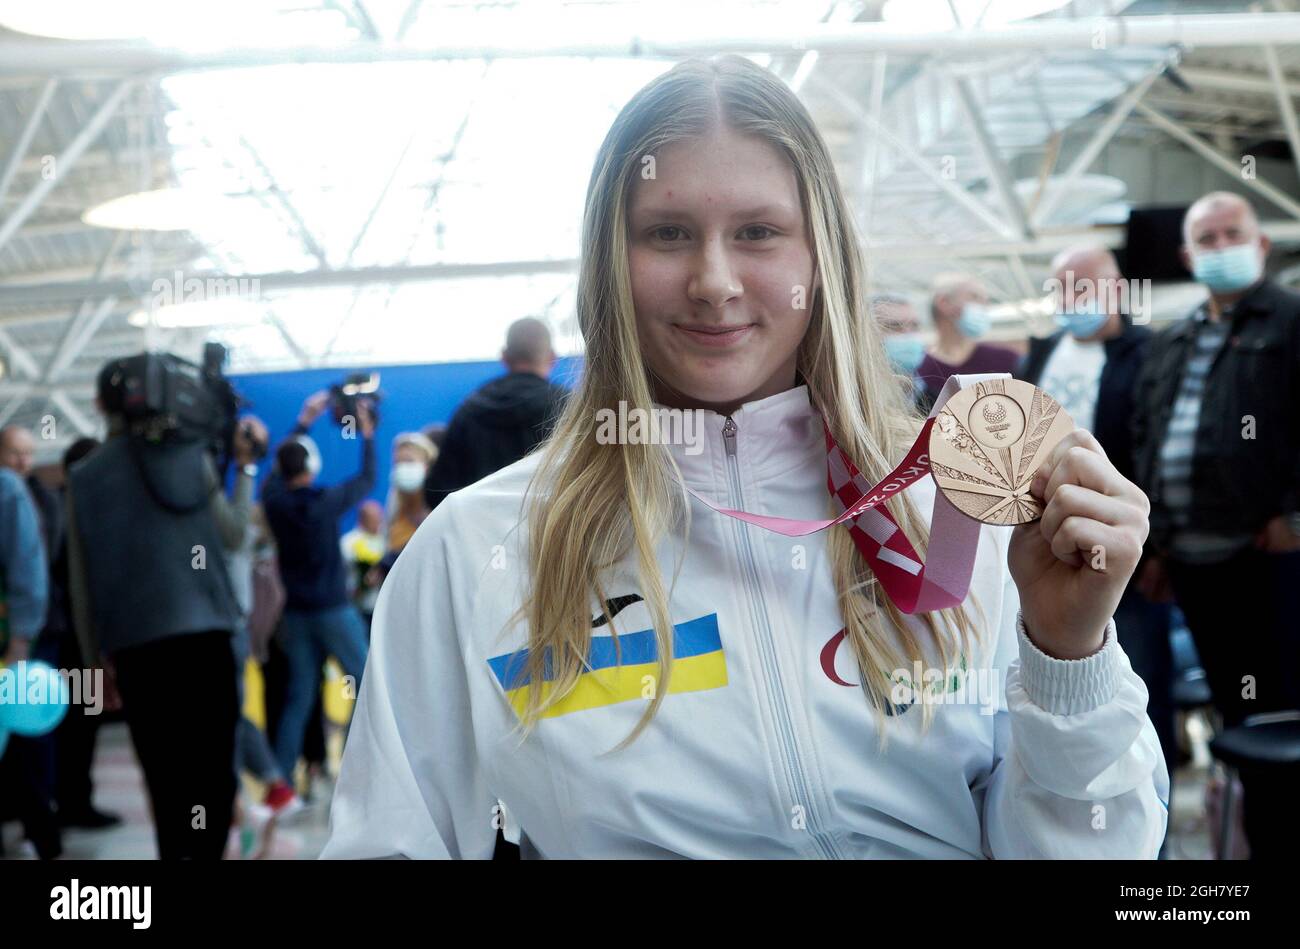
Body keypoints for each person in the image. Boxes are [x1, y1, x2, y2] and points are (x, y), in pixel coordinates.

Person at [323, 55, 1167, 860]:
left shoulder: (955, 519)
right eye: (668, 233)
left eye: (759, 232)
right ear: (608, 264)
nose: (714, 280)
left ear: (820, 257)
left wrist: (1068, 654)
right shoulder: (479, 552)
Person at [1132, 191, 1300, 859]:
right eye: (1207, 237)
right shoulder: (1174, 338)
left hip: (1271, 557)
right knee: (1240, 716)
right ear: (1187, 254)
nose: (1221, 244)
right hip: (1193, 564)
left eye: (1234, 231)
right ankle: (1260, 846)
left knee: (1285, 712)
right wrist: (1155, 546)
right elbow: (1149, 437)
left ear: (1261, 244)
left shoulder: (1289, 321)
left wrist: (1293, 512)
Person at [1017, 245, 1176, 831]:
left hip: (1126, 553)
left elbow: (1156, 449)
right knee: (1064, 696)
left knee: (1142, 693)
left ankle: (1149, 829)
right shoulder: (1040, 356)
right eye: (1062, 290)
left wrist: (1157, 549)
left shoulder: (1148, 354)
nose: (1071, 301)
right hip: (1048, 549)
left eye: (1083, 288)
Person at [66, 361, 245, 859]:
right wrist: (246, 468)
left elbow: (82, 586)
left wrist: (91, 668)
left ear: (101, 405)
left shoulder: (84, 477)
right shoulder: (191, 456)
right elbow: (234, 535)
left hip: (137, 648)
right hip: (207, 638)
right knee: (213, 770)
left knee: (163, 776)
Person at [262, 391, 375, 783]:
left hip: (295, 614)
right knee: (367, 684)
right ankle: (356, 770)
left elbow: (277, 472)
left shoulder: (274, 502)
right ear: (312, 465)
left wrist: (304, 419)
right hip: (334, 610)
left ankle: (281, 781)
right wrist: (368, 435)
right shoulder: (327, 501)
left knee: (299, 697)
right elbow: (367, 478)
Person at [422, 317, 568, 511]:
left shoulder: (470, 410)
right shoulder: (571, 410)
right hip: (550, 536)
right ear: (552, 358)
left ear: (504, 357)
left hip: (480, 535)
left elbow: (438, 490)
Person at [0, 460, 51, 858]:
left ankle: (41, 837)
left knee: (21, 743)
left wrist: (20, 640)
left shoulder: (7, 491)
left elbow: (27, 568)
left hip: (6, 645)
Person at [916, 273, 1019, 407]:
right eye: (974, 297)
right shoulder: (919, 369)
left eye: (986, 300)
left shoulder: (1006, 360)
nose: (984, 306)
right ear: (943, 302)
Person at [871, 293, 930, 413]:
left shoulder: (939, 392)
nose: (908, 334)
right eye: (894, 326)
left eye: (915, 326)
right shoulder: (854, 399)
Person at [385, 433, 436, 555]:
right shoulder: (394, 501)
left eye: (409, 461)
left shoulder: (439, 503)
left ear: (426, 465)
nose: (402, 467)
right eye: (397, 463)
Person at [340, 500, 385, 629]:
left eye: (379, 517)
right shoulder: (348, 543)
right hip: (357, 606)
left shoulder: (387, 540)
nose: (378, 522)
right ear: (363, 519)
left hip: (381, 605)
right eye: (374, 519)